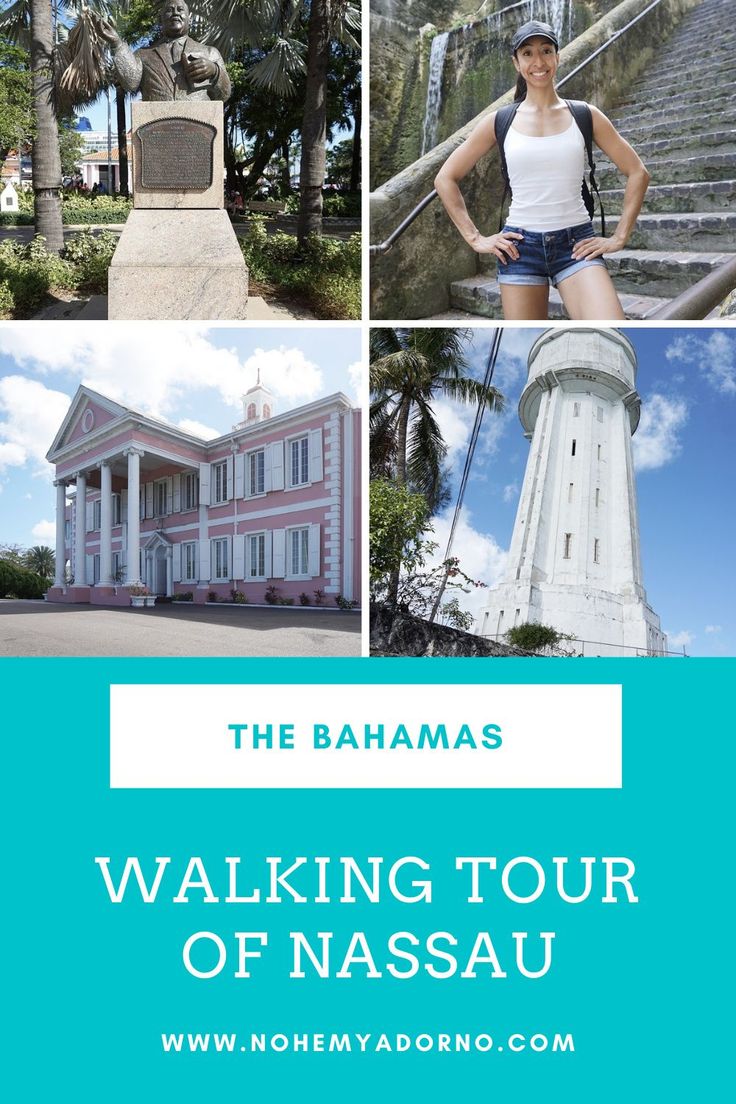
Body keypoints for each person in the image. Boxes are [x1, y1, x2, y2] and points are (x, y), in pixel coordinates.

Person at [434, 20, 650, 320]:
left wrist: (619, 237)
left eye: (546, 51)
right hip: (519, 249)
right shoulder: (499, 121)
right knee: (525, 338)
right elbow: (445, 178)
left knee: (610, 325)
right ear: (516, 62)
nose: (538, 62)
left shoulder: (585, 114)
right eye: (528, 53)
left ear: (557, 57)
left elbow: (638, 171)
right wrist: (475, 239)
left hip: (576, 245)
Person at [93, 1, 232, 103]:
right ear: (161, 20)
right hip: (157, 125)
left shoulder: (209, 52)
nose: (175, 13)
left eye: (180, 9)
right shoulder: (144, 54)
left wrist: (215, 72)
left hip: (198, 123)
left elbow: (223, 96)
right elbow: (131, 83)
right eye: (169, 10)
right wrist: (117, 44)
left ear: (189, 19)